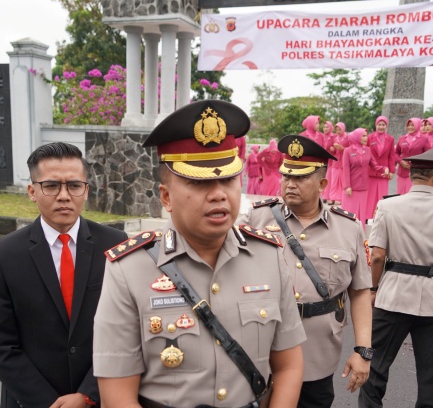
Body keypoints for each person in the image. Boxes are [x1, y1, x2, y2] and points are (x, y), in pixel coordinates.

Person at [93, 100, 306, 408]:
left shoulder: (269, 257)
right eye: (199, 181)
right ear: (166, 196)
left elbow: (288, 365)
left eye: (229, 179)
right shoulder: (128, 269)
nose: (219, 193)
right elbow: (117, 394)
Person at [0, 142, 128, 408]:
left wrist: (87, 394)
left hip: (102, 397)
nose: (63, 195)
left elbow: (128, 331)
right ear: (32, 192)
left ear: (86, 190)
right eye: (51, 186)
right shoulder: (3, 255)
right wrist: (47, 402)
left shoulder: (116, 244)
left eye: (74, 185)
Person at [241, 134, 374, 408]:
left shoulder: (348, 228)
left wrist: (363, 350)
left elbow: (360, 293)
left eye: (300, 178)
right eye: (286, 176)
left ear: (323, 183)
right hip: (263, 345)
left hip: (318, 352)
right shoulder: (255, 219)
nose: (290, 184)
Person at [358, 146, 433, 408]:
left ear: (411, 175)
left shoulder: (388, 205)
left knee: (375, 366)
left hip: (394, 294)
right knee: (432, 375)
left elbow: (377, 256)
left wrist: (373, 289)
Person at [342, 129, 388, 227]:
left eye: (366, 135)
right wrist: (347, 186)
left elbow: (374, 165)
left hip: (364, 188)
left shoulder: (367, 150)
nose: (365, 138)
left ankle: (360, 234)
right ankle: (349, 233)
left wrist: (384, 169)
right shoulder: (348, 151)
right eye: (363, 136)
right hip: (351, 188)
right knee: (351, 211)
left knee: (361, 212)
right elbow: (345, 170)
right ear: (357, 137)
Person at [366, 116, 395, 221]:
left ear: (386, 126)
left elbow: (391, 156)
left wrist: (392, 171)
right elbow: (367, 152)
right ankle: (368, 217)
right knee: (370, 197)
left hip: (384, 173)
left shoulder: (390, 139)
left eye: (383, 125)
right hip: (371, 171)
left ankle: (380, 217)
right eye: (379, 124)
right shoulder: (369, 138)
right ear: (376, 125)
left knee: (381, 196)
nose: (381, 127)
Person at [395, 118, 427, 194]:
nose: (410, 127)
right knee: (401, 196)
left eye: (413, 125)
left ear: (418, 125)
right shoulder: (402, 138)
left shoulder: (424, 139)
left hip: (417, 174)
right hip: (402, 173)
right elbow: (396, 153)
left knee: (413, 196)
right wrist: (400, 161)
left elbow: (427, 156)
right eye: (408, 125)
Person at [326, 122, 349, 206]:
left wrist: (342, 148)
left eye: (340, 129)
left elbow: (350, 149)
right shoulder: (335, 138)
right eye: (337, 130)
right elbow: (334, 150)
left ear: (343, 129)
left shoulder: (347, 138)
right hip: (335, 162)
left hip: (344, 162)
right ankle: (332, 198)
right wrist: (333, 149)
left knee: (342, 181)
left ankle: (342, 198)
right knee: (334, 181)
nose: (338, 131)